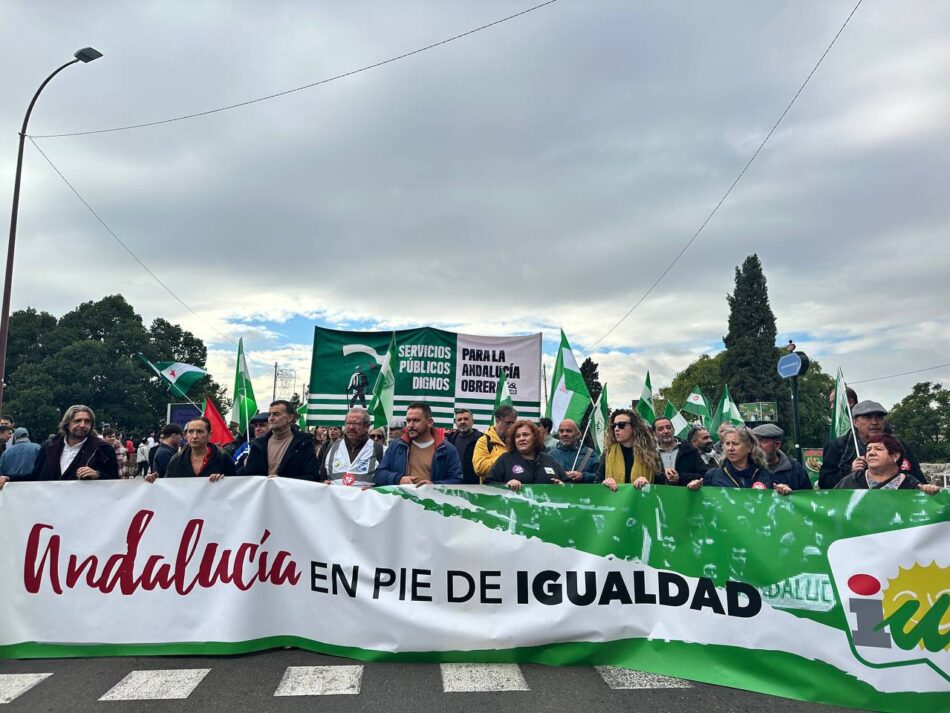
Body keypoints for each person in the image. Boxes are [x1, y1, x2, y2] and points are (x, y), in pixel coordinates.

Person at [818, 400, 925, 489]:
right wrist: (849, 472)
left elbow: (919, 480)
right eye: (868, 417)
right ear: (855, 422)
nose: (874, 422)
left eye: (879, 417)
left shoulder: (898, 445)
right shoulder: (837, 446)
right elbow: (824, 484)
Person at [375, 402, 463, 486]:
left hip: (431, 500)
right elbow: (379, 475)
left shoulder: (447, 449)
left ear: (429, 422)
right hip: (402, 500)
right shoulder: (396, 446)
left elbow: (457, 480)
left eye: (416, 420)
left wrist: (434, 486)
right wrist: (399, 479)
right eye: (408, 421)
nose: (411, 425)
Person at [687, 427, 791, 495]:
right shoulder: (713, 475)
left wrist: (784, 491)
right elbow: (704, 506)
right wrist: (694, 490)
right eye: (727, 444)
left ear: (749, 447)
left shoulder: (766, 475)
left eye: (735, 444)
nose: (730, 448)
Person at [27, 405, 119, 482]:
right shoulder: (48, 447)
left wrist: (98, 475)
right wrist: (13, 478)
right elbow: (35, 477)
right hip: (50, 503)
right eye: (77, 421)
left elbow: (115, 481)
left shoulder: (104, 449)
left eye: (87, 421)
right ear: (67, 423)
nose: (82, 425)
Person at [239, 400, 320, 480]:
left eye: (276, 414)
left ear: (290, 418)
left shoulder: (303, 444)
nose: (271, 418)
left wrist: (282, 481)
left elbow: (312, 476)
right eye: (269, 415)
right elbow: (248, 477)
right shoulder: (258, 445)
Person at [834, 434, 941, 494]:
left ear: (895, 456)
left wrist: (930, 493)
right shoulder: (851, 481)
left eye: (878, 449)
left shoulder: (910, 485)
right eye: (868, 449)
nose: (871, 453)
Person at [486, 420, 567, 491]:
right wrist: (506, 485)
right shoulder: (505, 459)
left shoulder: (549, 460)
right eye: (517, 436)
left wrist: (562, 486)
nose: (521, 438)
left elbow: (569, 485)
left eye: (525, 435)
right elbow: (489, 484)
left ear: (535, 437)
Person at [596, 409, 660, 490]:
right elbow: (597, 482)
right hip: (614, 501)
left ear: (634, 427)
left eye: (621, 425)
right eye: (614, 426)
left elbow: (660, 484)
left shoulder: (650, 453)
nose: (616, 429)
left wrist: (647, 484)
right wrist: (605, 483)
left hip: (643, 500)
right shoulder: (608, 453)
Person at [323, 407, 384, 487]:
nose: (351, 427)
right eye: (348, 423)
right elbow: (322, 475)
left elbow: (385, 481)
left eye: (356, 424)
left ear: (367, 427)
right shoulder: (332, 446)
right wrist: (322, 482)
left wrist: (376, 488)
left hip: (365, 499)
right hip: (336, 498)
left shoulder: (378, 449)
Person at [163, 417, 234, 481]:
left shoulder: (223, 458)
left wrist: (223, 481)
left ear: (209, 435)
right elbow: (168, 487)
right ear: (186, 435)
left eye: (200, 431)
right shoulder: (176, 460)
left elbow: (235, 487)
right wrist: (154, 481)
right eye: (190, 431)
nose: (194, 436)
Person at [752, 424, 813, 490]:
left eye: (763, 441)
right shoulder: (749, 467)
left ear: (777, 445)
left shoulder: (795, 470)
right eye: (755, 442)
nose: (757, 446)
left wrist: (789, 493)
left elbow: (807, 497)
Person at [653, 417, 707, 486]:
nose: (666, 431)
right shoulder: (649, 453)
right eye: (660, 429)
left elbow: (704, 475)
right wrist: (664, 476)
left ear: (673, 430)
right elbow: (648, 477)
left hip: (686, 494)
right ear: (654, 433)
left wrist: (680, 478)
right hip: (658, 494)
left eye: (669, 427)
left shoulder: (689, 449)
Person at [472, 405, 518, 482]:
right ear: (497, 420)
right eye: (508, 423)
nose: (512, 426)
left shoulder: (517, 441)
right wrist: (506, 458)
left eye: (514, 423)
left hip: (515, 490)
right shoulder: (484, 441)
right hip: (492, 490)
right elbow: (479, 468)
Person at [446, 408, 483, 484]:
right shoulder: (450, 439)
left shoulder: (482, 439)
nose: (462, 422)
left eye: (466, 419)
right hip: (454, 485)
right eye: (459, 420)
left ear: (472, 421)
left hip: (474, 487)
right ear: (455, 423)